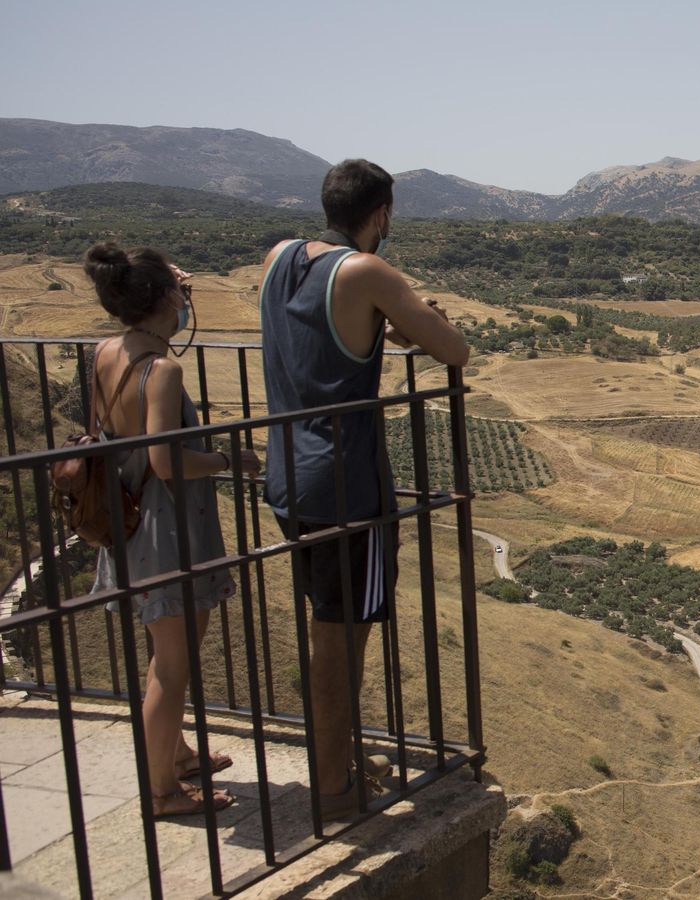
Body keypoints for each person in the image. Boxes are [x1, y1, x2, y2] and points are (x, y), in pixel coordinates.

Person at [259, 159, 467, 819]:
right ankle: (336, 793)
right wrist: (418, 313)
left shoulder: (280, 257)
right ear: (381, 215)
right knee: (341, 645)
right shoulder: (366, 272)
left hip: (288, 475)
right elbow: (451, 349)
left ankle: (339, 763)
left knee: (328, 628)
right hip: (348, 487)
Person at [83, 242, 262, 816]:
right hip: (167, 530)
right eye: (179, 293)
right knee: (173, 662)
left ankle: (177, 752)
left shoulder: (107, 351)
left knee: (168, 651)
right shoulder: (162, 368)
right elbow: (167, 461)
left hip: (130, 522)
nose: (186, 302)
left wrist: (165, 282)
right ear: (165, 298)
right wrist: (229, 461)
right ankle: (162, 790)